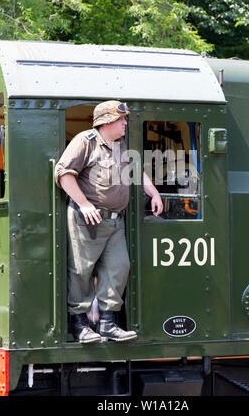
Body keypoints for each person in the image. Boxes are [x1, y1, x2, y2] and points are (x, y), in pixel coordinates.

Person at [55, 100, 163, 343]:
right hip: (88, 220)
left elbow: (135, 169)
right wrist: (83, 204)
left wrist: (154, 192)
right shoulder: (86, 141)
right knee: (81, 271)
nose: (125, 124)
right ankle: (80, 325)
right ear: (107, 121)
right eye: (121, 119)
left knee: (119, 267)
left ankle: (107, 324)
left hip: (115, 221)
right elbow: (63, 174)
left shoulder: (121, 145)